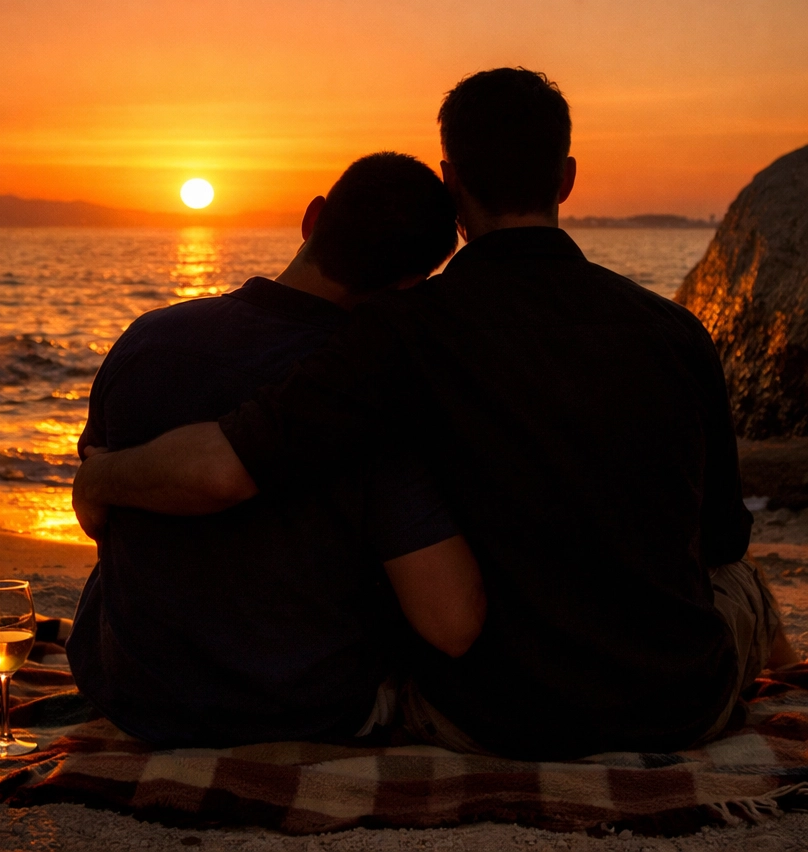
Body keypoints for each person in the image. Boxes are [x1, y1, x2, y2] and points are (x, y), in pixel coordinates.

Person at [74, 68, 797, 760]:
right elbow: (721, 539)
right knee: (745, 580)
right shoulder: (676, 333)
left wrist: (100, 479)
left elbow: (230, 464)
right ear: (567, 178)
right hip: (679, 708)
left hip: (492, 714)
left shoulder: (401, 333)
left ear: (454, 186)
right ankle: (792, 694)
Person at [67, 152, 486, 748]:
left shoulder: (147, 341)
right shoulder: (367, 386)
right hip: (303, 711)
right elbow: (450, 621)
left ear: (312, 217)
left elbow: (93, 518)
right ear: (408, 285)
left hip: (140, 701)